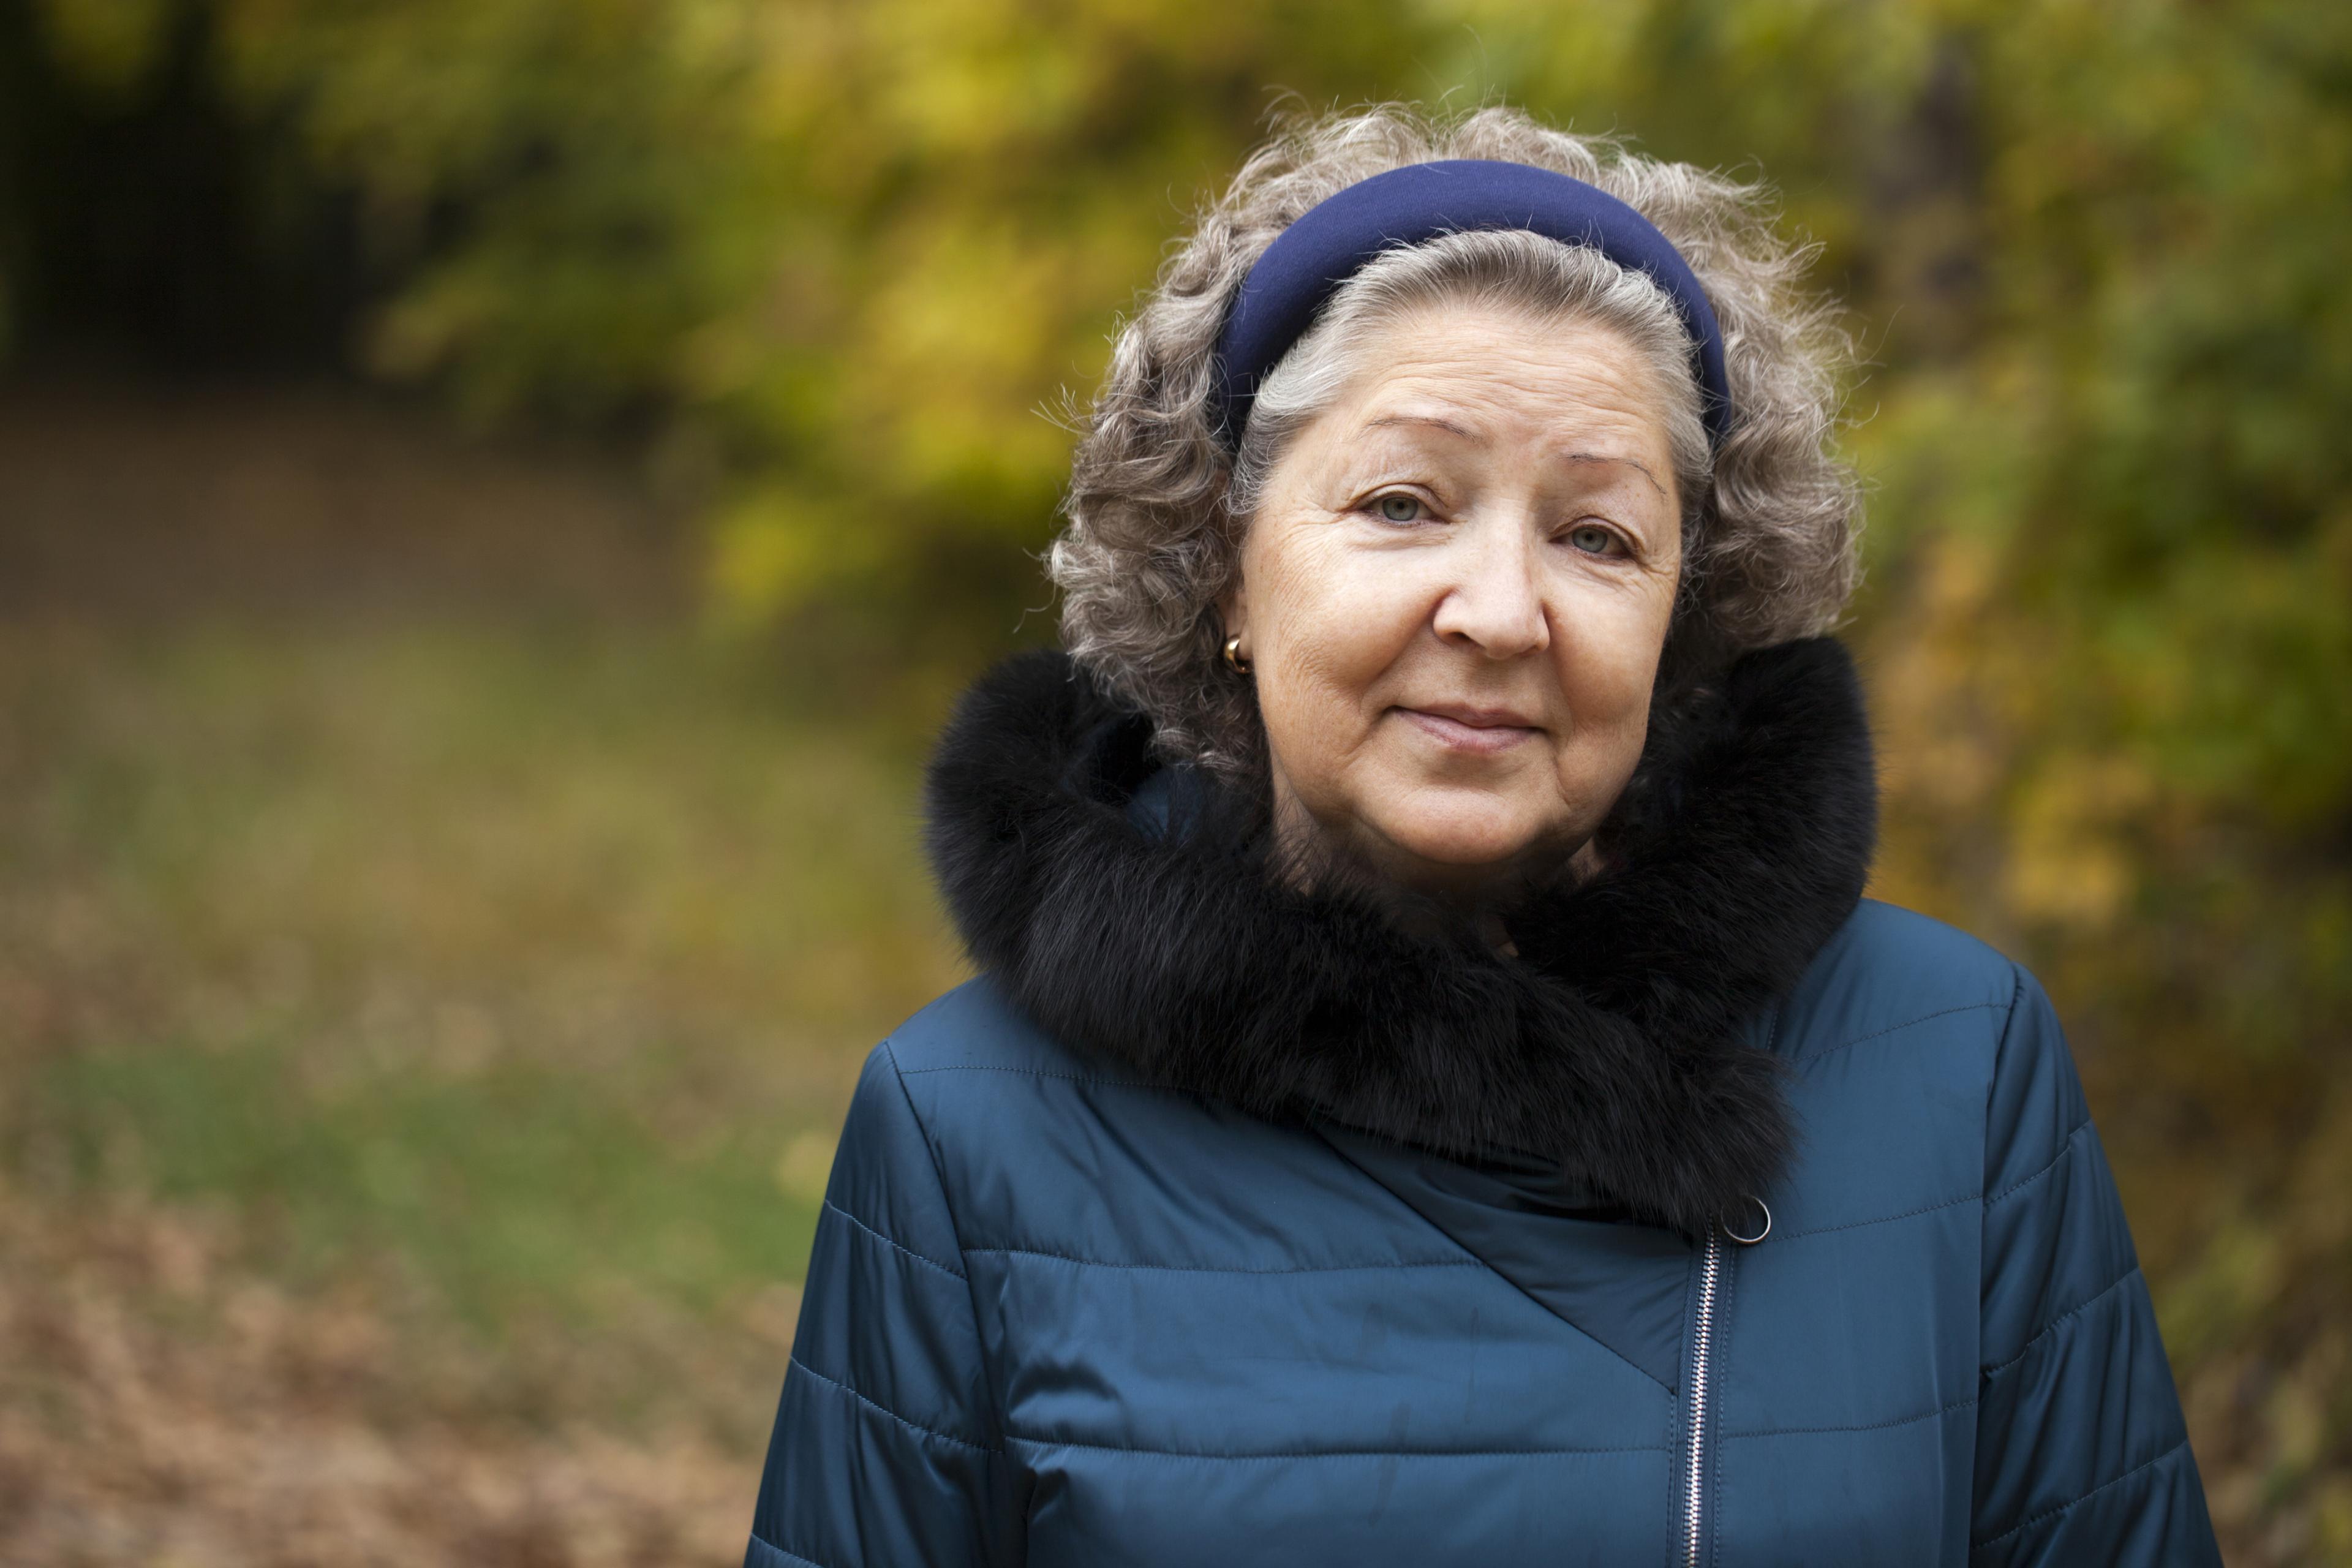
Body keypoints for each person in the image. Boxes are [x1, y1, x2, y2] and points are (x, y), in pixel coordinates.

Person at [742, 105, 2220, 1567]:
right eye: (1403, 502)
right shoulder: (971, 1122)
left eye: (1597, 536)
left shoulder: (1954, 1064)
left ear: (1683, 616)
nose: (1504, 612)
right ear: (1225, 575)